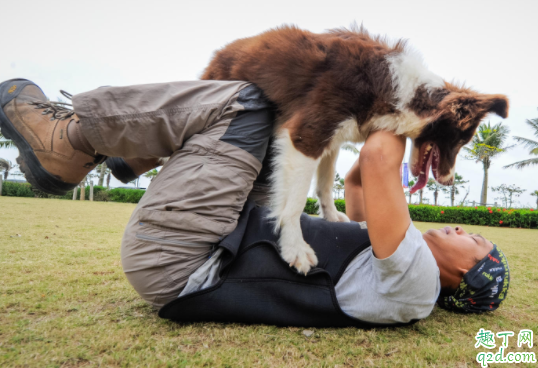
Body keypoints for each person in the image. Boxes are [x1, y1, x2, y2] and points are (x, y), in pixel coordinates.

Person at [0, 78, 510, 327]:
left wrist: (432, 109)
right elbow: (358, 187)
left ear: (467, 278)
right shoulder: (397, 266)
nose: (463, 231)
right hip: (211, 238)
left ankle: (71, 139)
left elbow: (378, 158)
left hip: (185, 260)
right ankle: (126, 155)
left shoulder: (417, 285)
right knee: (284, 113)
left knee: (249, 101)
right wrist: (422, 145)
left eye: (475, 242)